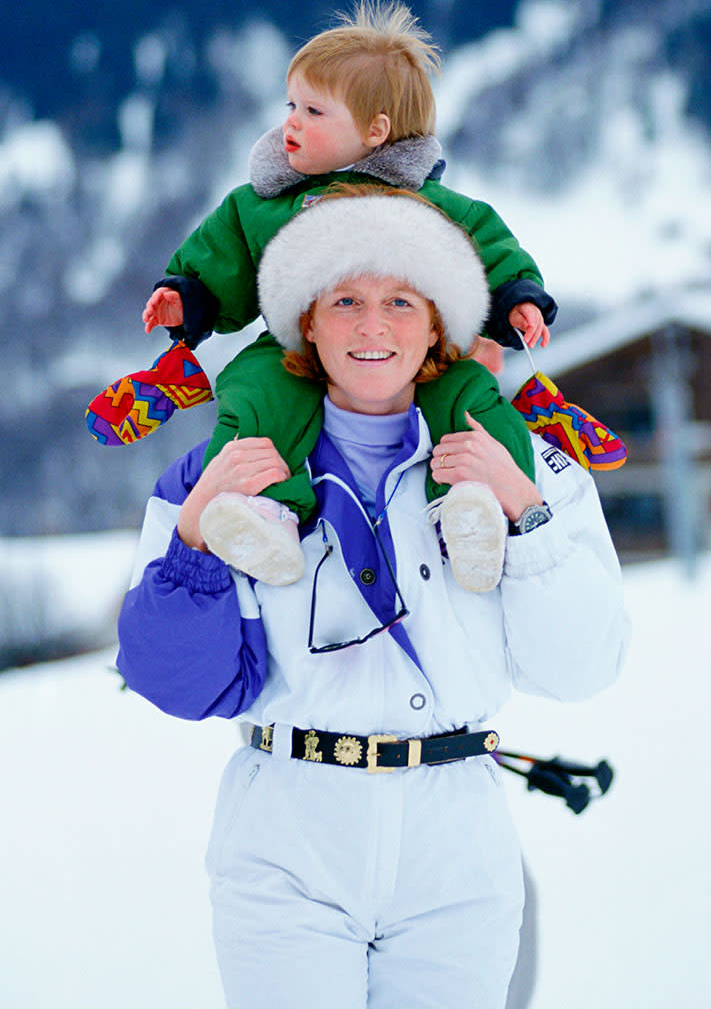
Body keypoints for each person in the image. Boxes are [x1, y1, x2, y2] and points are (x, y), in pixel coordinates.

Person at [117, 188, 630, 1009]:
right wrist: (194, 537)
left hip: (455, 847)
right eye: (345, 299)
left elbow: (581, 667)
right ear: (304, 320)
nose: (371, 326)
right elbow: (172, 682)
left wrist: (523, 513)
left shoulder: (524, 460)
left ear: (439, 323)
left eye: (400, 300)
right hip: (286, 842)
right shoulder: (223, 468)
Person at [140, 0, 558, 591]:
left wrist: (518, 297)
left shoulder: (425, 203)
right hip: (293, 345)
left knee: (470, 397)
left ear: (375, 131)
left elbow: (485, 246)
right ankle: (267, 512)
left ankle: (471, 505)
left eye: (313, 111)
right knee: (252, 390)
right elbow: (223, 249)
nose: (291, 123)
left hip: (418, 353)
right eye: (291, 106)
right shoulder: (266, 203)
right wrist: (187, 295)